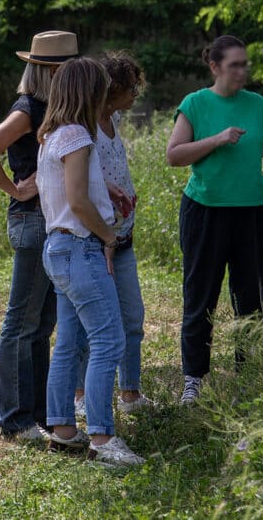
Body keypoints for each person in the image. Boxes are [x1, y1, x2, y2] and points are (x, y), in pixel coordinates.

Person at [166, 34, 263, 405]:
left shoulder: (257, 104)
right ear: (215, 67)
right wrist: (218, 140)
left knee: (251, 299)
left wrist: (259, 151)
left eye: (245, 64)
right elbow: (174, 155)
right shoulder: (196, 103)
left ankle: (249, 374)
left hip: (252, 211)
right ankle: (194, 377)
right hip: (205, 211)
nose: (243, 70)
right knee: (200, 296)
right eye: (235, 64)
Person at [0, 30, 78, 443]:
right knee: (22, 321)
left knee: (41, 323)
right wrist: (16, 189)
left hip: (49, 221)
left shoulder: (55, 108)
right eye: (66, 68)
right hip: (31, 220)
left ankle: (37, 413)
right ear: (50, 71)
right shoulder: (29, 109)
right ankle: (14, 420)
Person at [39, 57, 145, 467]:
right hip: (81, 248)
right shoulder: (79, 138)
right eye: (102, 86)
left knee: (68, 342)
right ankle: (102, 438)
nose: (108, 93)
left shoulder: (54, 135)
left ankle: (63, 430)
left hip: (57, 248)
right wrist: (109, 236)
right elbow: (79, 202)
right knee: (108, 340)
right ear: (89, 92)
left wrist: (108, 189)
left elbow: (74, 192)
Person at [72, 52, 153, 420]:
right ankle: (79, 395)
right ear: (111, 90)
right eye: (131, 87)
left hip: (124, 237)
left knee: (132, 317)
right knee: (94, 323)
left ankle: (130, 392)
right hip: (96, 238)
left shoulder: (114, 118)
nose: (136, 93)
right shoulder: (83, 126)